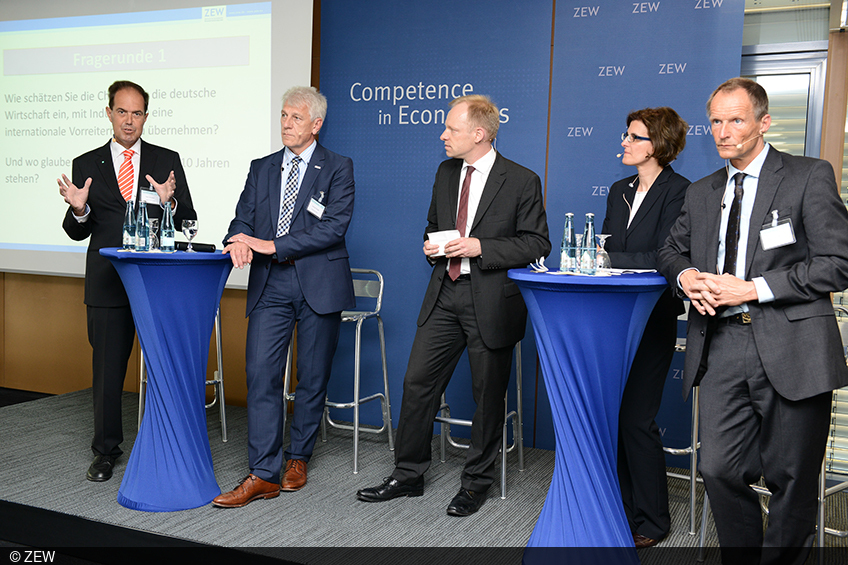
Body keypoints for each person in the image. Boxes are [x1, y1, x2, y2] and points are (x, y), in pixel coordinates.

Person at [657, 77, 848, 565]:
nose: (723, 131)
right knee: (718, 469)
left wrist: (754, 289)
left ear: (764, 122)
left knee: (792, 480)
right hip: (722, 345)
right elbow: (671, 251)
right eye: (716, 121)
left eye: (735, 119)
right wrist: (688, 277)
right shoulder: (702, 192)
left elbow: (837, 263)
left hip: (793, 346)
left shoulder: (809, 175)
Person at [356, 94, 550, 516]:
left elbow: (537, 243)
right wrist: (432, 246)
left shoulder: (521, 180)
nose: (442, 135)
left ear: (478, 134)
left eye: (451, 129)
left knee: (488, 397)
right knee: (417, 384)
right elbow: (432, 226)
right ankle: (407, 475)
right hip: (445, 293)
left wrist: (481, 246)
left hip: (492, 301)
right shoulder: (446, 172)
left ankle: (475, 483)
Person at [212, 86, 355, 508]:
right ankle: (263, 473)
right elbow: (243, 216)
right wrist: (237, 239)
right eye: (283, 116)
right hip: (271, 284)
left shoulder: (338, 167)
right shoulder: (262, 167)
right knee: (260, 374)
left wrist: (272, 245)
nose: (286, 123)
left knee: (311, 379)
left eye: (295, 117)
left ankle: (299, 457)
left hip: (318, 283)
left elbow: (334, 227)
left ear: (316, 124)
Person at [57, 80, 196, 482]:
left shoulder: (165, 159)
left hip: (157, 284)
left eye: (137, 113)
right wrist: (80, 211)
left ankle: (168, 445)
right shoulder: (86, 164)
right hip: (107, 284)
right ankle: (105, 452)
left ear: (146, 117)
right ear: (109, 113)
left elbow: (188, 218)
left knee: (165, 368)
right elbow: (75, 231)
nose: (129, 120)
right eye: (122, 111)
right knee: (107, 373)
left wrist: (169, 202)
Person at [602, 107, 690, 549]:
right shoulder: (619, 189)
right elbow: (605, 244)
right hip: (613, 317)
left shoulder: (681, 191)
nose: (624, 142)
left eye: (632, 136)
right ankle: (621, 507)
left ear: (655, 145)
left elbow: (664, 256)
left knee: (637, 419)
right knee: (614, 417)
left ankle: (653, 521)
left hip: (654, 317)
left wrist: (609, 261)